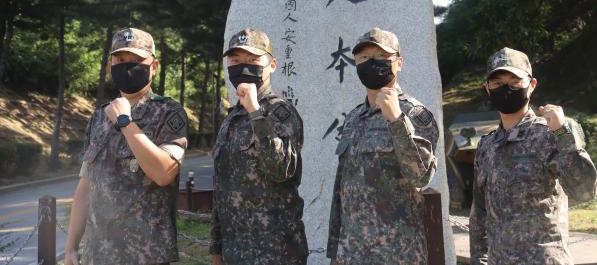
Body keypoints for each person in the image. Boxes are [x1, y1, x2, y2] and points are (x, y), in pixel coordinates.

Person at [64, 28, 188, 265]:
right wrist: (71, 246)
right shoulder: (99, 116)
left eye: (137, 60)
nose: (127, 66)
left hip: (145, 255)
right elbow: (86, 185)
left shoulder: (169, 112)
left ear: (154, 66)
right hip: (97, 254)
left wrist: (125, 122)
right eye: (120, 60)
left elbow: (164, 174)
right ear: (110, 64)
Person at [470, 47, 597, 265]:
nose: (506, 89)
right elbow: (480, 212)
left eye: (515, 82)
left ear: (531, 85)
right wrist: (478, 259)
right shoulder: (487, 146)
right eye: (497, 83)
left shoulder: (552, 133)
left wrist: (562, 133)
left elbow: (586, 191)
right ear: (487, 88)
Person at [327, 27, 438, 265]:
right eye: (364, 58)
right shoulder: (355, 117)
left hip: (397, 254)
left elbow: (421, 177)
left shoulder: (414, 114)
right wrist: (335, 251)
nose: (371, 63)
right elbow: (342, 188)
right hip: (352, 253)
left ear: (399, 63)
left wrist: (396, 121)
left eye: (381, 57)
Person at [210, 28, 308, 265]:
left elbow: (280, 169)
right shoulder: (231, 118)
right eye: (235, 60)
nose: (243, 66)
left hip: (275, 251)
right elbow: (222, 188)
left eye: (253, 60)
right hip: (235, 250)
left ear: (272, 65)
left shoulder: (280, 112)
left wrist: (255, 112)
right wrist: (216, 248)